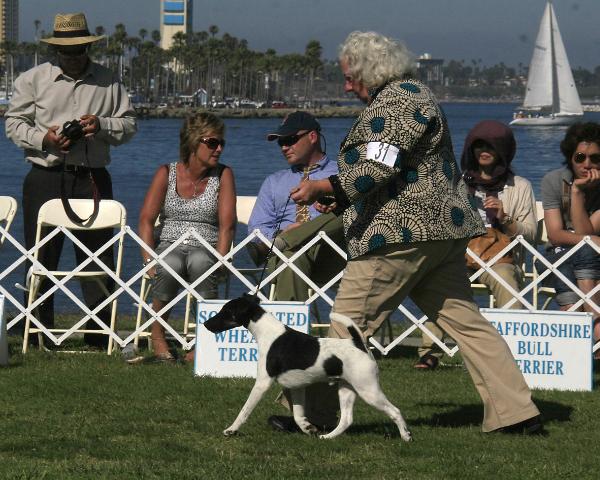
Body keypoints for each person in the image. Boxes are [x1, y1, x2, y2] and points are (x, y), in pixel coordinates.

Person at [286, 31, 542, 434]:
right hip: (440, 233)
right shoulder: (413, 94)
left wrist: (327, 187)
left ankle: (312, 418)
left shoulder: (400, 99)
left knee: (345, 327)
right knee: (468, 325)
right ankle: (517, 413)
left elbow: (377, 164)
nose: (347, 85)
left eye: (350, 76)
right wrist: (343, 196)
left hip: (399, 235)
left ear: (371, 70)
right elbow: (394, 167)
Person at [5, 12, 137, 348]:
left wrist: (102, 126)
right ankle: (37, 334)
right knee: (41, 258)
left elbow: (129, 126)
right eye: (67, 52)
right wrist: (45, 140)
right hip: (45, 176)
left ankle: (97, 335)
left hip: (92, 177)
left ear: (88, 48)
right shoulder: (32, 79)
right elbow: (13, 125)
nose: (73, 57)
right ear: (56, 50)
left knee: (99, 258)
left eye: (79, 51)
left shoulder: (110, 80)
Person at [416, 120, 537, 369]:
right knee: (441, 283)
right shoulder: (457, 182)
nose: (483, 150)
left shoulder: (519, 186)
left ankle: (508, 350)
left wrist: (504, 218)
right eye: (478, 144)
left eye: (491, 146)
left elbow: (531, 234)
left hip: (499, 255)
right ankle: (430, 352)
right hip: (459, 252)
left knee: (507, 281)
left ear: (503, 150)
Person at [138, 112, 236, 362]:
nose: (219, 149)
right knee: (169, 264)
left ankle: (205, 341)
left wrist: (222, 259)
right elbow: (146, 220)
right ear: (193, 142)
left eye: (222, 143)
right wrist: (149, 260)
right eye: (212, 142)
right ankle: (157, 335)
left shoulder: (224, 175)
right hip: (169, 242)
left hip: (206, 244)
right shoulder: (166, 173)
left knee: (201, 262)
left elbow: (227, 225)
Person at [248, 111, 345, 302]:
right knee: (292, 255)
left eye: (290, 139)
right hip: (287, 257)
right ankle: (291, 327)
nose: (284, 147)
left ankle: (287, 329)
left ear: (312, 137)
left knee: (342, 212)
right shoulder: (274, 182)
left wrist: (335, 204)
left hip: (333, 255)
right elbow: (256, 229)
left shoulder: (342, 175)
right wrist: (283, 231)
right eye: (280, 142)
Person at [540, 122, 600, 349]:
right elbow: (555, 235)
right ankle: (597, 329)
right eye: (580, 157)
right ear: (570, 157)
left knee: (579, 258)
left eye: (595, 158)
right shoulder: (553, 180)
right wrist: (575, 190)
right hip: (558, 256)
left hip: (593, 259)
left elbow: (585, 233)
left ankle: (571, 350)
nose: (588, 164)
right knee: (567, 263)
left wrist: (577, 193)